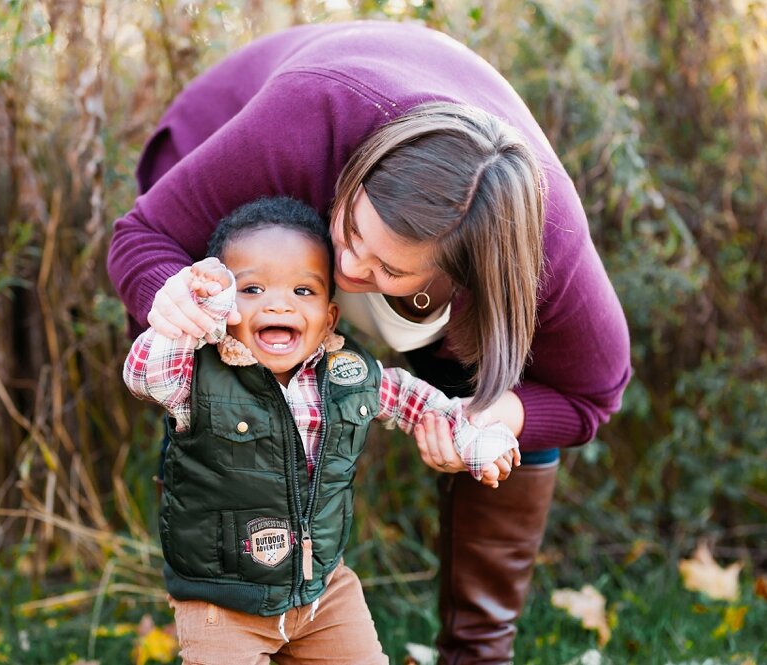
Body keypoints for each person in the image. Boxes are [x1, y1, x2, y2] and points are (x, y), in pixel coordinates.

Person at [108, 21, 631, 664]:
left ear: (461, 277)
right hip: (249, 155)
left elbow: (592, 395)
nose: (350, 270)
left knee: (500, 389)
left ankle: (478, 652)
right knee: (225, 381)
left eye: (387, 269)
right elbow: (142, 237)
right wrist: (178, 298)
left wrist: (489, 417)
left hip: (436, 252)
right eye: (350, 233)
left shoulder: (546, 249)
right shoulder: (305, 125)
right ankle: (228, 609)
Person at [123, 197, 520, 664]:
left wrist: (476, 441)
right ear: (224, 307)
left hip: (323, 590)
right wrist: (188, 310)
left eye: (303, 291)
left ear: (330, 317)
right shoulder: (198, 376)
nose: (278, 303)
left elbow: (423, 405)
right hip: (222, 600)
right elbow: (146, 375)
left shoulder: (347, 375)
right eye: (251, 290)